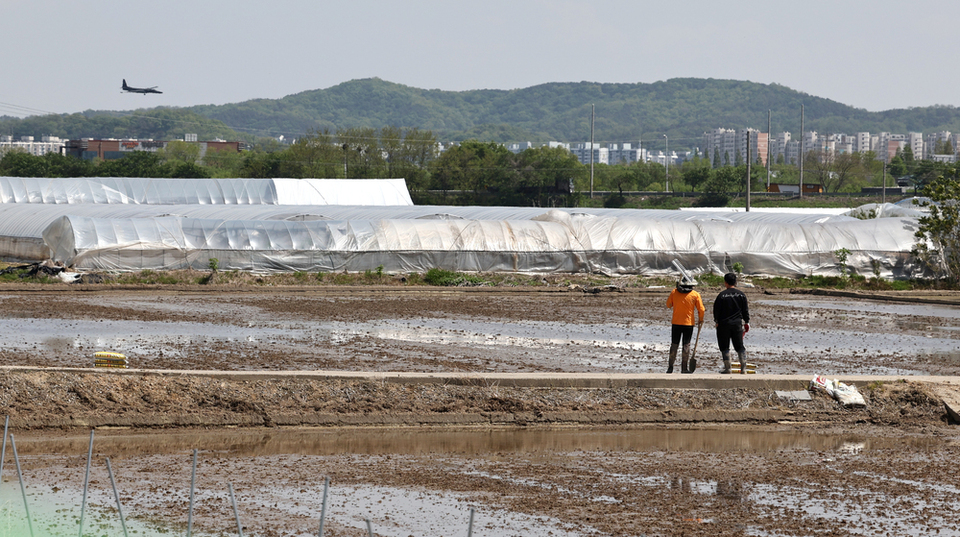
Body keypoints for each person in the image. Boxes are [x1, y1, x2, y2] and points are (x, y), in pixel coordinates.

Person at [665, 277, 705, 374]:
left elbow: (668, 305)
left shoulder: (674, 292)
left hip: (676, 323)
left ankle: (670, 367)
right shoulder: (695, 294)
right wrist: (700, 319)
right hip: (688, 324)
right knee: (686, 345)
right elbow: (702, 309)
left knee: (674, 344)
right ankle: (684, 368)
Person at [713, 272, 750, 374]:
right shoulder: (741, 295)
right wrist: (746, 322)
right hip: (737, 324)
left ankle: (728, 368)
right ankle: (743, 369)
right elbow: (745, 310)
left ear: (725, 283)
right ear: (735, 282)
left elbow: (716, 310)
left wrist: (716, 321)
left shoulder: (721, 296)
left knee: (724, 346)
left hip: (723, 324)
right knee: (739, 346)